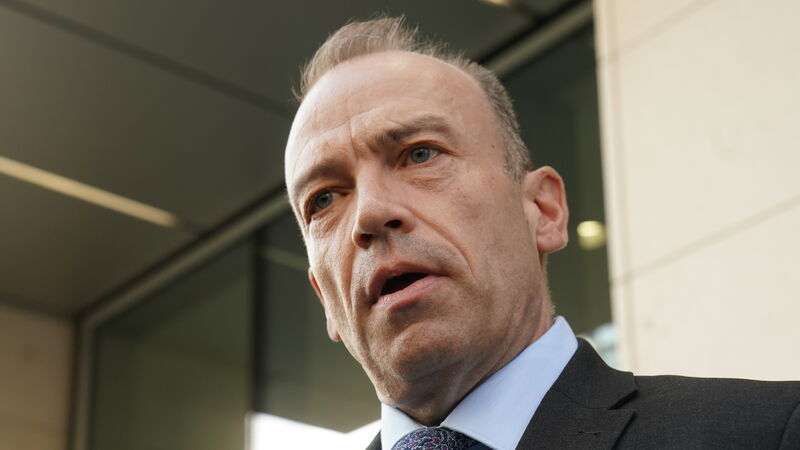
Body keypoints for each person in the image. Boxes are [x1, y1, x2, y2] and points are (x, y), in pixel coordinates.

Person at [283, 16, 800, 450]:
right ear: (324, 296)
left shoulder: (771, 432)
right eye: (324, 199)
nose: (370, 213)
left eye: (420, 154)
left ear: (543, 211)